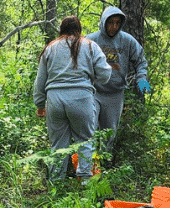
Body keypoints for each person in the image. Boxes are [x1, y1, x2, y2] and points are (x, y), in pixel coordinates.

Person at [33, 15, 114, 182]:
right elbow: (105, 73)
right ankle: (84, 182)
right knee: (85, 140)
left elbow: (40, 80)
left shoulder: (50, 48)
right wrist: (94, 80)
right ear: (79, 30)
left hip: (55, 99)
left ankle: (56, 183)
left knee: (58, 145)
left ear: (61, 29)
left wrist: (40, 104)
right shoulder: (90, 45)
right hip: (81, 98)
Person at [85, 6, 150, 158]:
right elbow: (79, 62)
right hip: (94, 92)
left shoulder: (127, 41)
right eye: (110, 22)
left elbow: (140, 61)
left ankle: (105, 166)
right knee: (90, 129)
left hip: (115, 94)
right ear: (103, 22)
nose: (113, 27)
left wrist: (141, 80)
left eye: (117, 23)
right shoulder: (91, 40)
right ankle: (88, 167)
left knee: (109, 133)